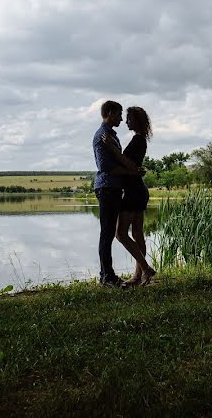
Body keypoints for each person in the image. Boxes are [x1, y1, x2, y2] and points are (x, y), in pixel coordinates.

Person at [102, 106, 156, 286]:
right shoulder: (139, 139)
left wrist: (111, 148)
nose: (126, 122)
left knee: (120, 233)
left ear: (137, 120)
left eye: (129, 118)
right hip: (138, 190)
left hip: (134, 192)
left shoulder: (139, 140)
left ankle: (146, 269)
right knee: (138, 233)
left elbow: (129, 164)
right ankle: (138, 276)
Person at [92, 100, 144, 287]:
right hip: (107, 188)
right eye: (120, 114)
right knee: (107, 233)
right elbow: (106, 167)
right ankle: (107, 277)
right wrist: (133, 172)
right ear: (110, 113)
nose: (122, 119)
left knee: (112, 233)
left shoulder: (111, 135)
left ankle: (110, 275)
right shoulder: (102, 136)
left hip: (114, 189)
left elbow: (120, 161)